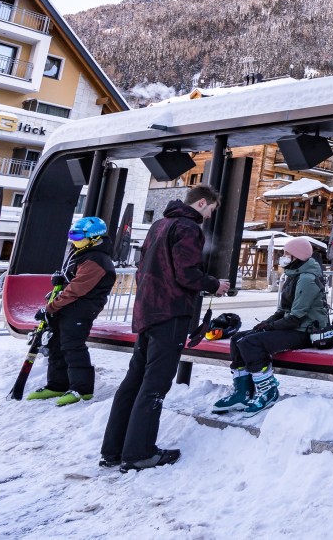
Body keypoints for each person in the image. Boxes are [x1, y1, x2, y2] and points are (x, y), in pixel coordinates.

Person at [100, 185, 229, 471]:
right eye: (210, 210)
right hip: (170, 313)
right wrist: (214, 285)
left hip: (147, 311)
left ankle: (114, 450)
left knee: (133, 382)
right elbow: (186, 274)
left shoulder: (159, 224)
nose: (208, 217)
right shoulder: (188, 228)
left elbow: (142, 267)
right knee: (155, 386)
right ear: (202, 203)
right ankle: (139, 453)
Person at [210, 236, 329, 417]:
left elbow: (296, 317)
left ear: (296, 256)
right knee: (237, 338)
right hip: (293, 327)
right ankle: (243, 392)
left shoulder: (307, 279)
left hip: (306, 331)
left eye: (286, 254)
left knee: (251, 343)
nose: (283, 257)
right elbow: (282, 311)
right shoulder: (293, 275)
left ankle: (268, 391)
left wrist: (270, 328)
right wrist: (266, 323)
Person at [26, 216, 117, 406]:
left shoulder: (97, 259)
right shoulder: (80, 252)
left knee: (72, 345)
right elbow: (70, 280)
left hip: (81, 309)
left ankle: (82, 389)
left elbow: (77, 288)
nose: (73, 239)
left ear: (93, 237)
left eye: (77, 235)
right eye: (71, 234)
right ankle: (57, 384)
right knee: (56, 344)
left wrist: (50, 307)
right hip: (67, 307)